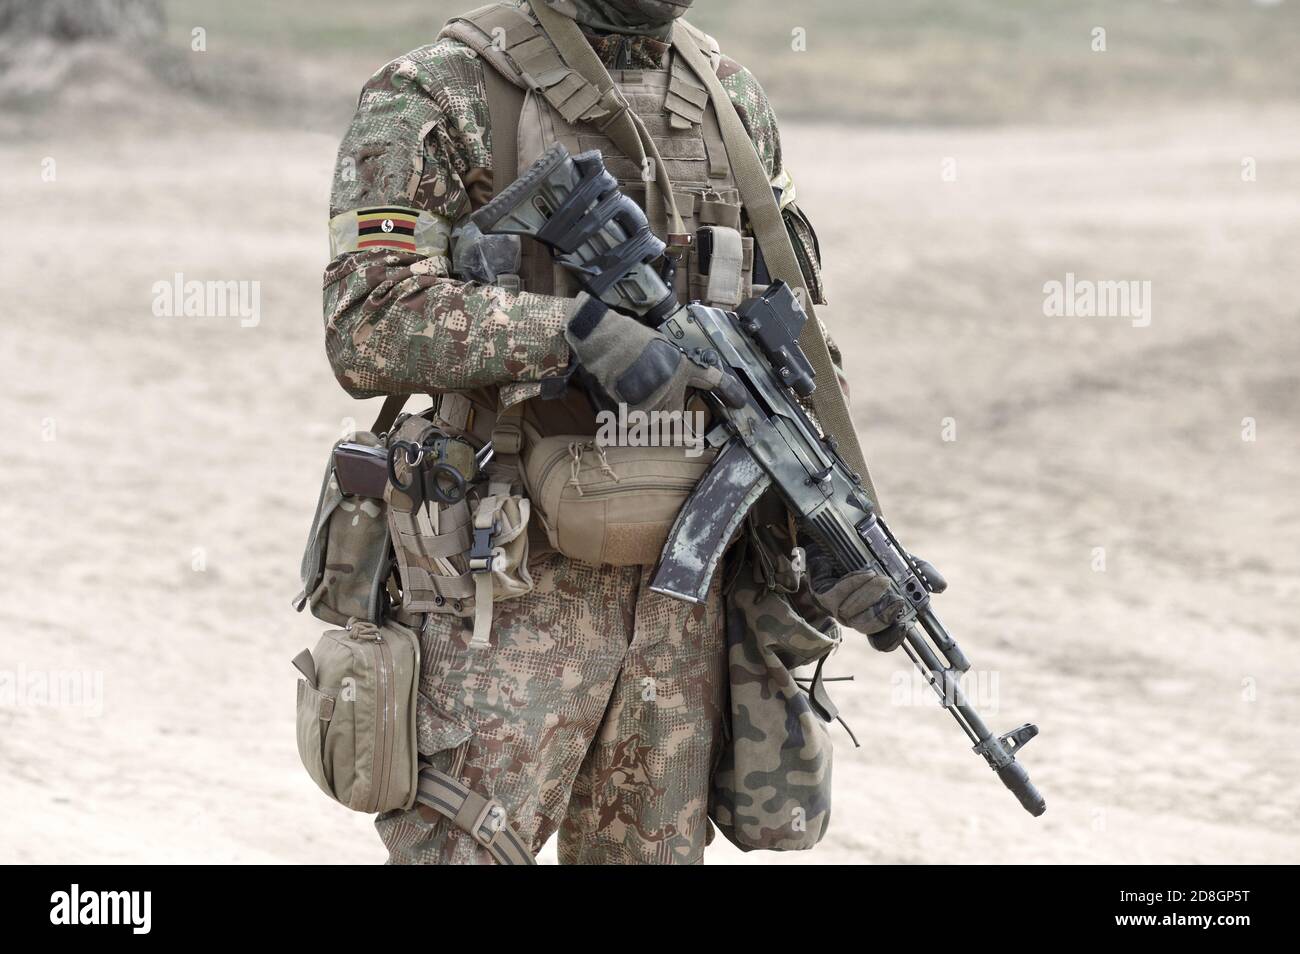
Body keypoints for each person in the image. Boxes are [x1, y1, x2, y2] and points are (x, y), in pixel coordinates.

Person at [321, 0, 906, 864]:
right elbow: (365, 324)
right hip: (502, 582)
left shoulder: (728, 98)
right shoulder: (441, 89)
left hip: (684, 597)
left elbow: (797, 348)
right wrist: (573, 333)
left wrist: (828, 540)